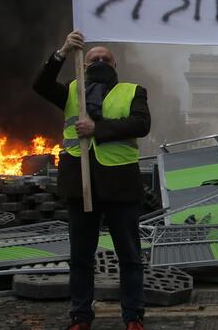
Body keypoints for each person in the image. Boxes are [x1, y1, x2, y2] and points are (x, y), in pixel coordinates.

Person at [33, 31, 151, 330]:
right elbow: (41, 85)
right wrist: (61, 51)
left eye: (105, 59)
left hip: (120, 185)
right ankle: (80, 316)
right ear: (82, 66)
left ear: (115, 65)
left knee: (130, 256)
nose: (99, 61)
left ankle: (133, 316)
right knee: (81, 257)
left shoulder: (134, 91)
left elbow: (141, 124)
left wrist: (96, 128)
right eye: (93, 59)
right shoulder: (72, 91)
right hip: (80, 185)